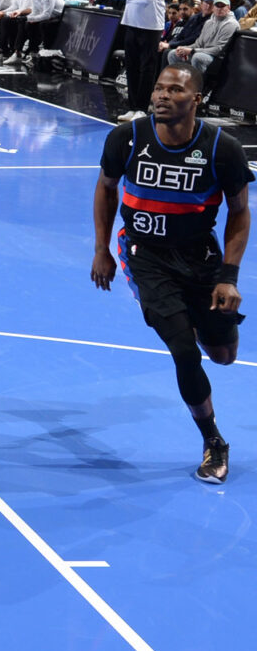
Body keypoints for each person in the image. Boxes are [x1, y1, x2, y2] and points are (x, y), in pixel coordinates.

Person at [92, 62, 246, 484]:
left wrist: (229, 276)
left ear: (196, 99)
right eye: (159, 88)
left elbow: (239, 212)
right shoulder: (126, 138)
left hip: (200, 260)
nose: (162, 96)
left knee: (224, 356)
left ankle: (193, 318)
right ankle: (213, 440)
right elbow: (106, 188)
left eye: (174, 90)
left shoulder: (222, 148)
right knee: (184, 351)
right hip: (145, 257)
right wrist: (101, 250)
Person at [112, 0, 170, 122]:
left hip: (151, 25)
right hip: (131, 22)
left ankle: (142, 109)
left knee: (147, 68)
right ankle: (132, 108)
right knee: (131, 66)